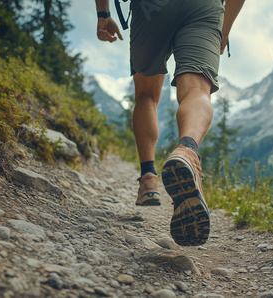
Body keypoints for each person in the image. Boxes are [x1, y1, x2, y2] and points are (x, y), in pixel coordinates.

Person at [94, 0, 244, 246]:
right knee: (197, 88)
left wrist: (103, 13)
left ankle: (148, 180)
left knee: (146, 94)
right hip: (204, 6)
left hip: (151, 7)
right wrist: (223, 29)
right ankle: (187, 151)